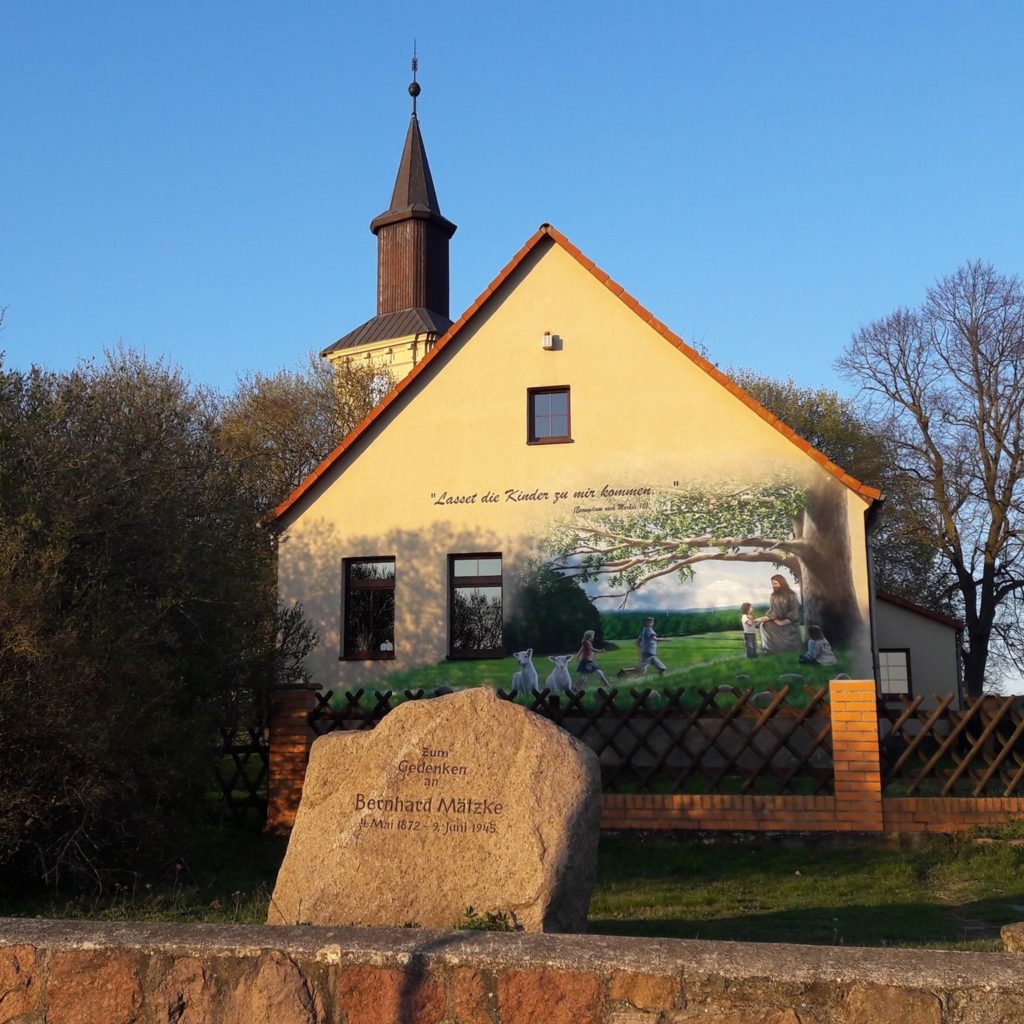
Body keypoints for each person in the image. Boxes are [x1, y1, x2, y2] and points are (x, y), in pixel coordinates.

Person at [755, 574, 803, 654]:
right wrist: (761, 619)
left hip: (789, 622)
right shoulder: (773, 596)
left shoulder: (791, 595)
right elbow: (773, 611)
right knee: (764, 625)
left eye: (776, 583)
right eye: (773, 584)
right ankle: (771, 649)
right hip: (777, 620)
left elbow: (795, 611)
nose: (774, 586)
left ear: (782, 583)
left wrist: (785, 621)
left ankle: (788, 649)